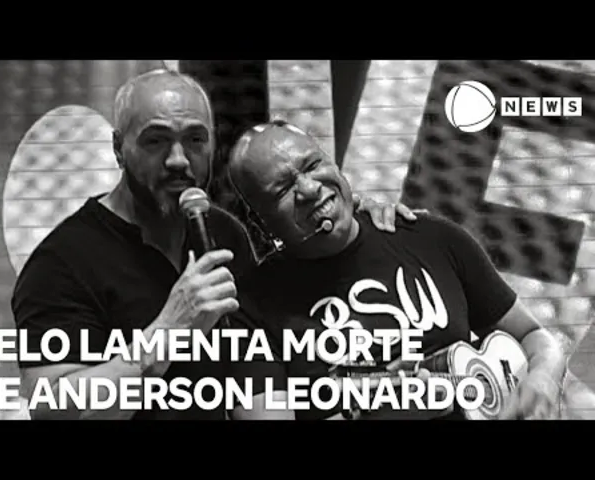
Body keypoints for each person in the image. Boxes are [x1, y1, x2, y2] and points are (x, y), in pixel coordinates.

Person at [11, 68, 419, 420]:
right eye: (155, 141)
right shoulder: (62, 261)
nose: (178, 159)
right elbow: (51, 407)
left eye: (195, 140)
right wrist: (168, 332)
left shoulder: (222, 233)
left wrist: (356, 224)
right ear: (119, 149)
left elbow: (255, 376)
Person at [225, 120, 567, 421]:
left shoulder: (432, 237)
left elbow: (536, 338)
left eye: (313, 165)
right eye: (283, 189)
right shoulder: (250, 309)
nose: (310, 188)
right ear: (260, 223)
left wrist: (544, 380)